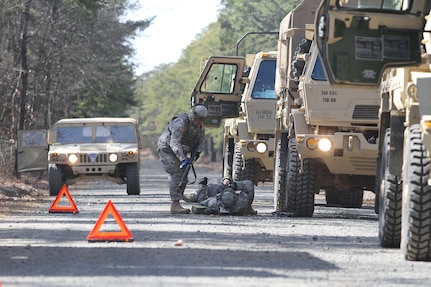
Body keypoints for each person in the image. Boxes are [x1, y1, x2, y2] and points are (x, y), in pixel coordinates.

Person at [157, 105, 208, 214]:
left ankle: (179, 195)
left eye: (201, 120)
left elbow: (201, 142)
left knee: (184, 174)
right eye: (197, 119)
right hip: (167, 148)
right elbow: (174, 142)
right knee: (176, 172)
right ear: (193, 116)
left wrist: (196, 154)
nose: (198, 122)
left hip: (181, 149)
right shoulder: (180, 123)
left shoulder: (200, 128)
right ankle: (175, 204)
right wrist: (183, 159)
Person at [185, 177, 257, 216]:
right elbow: (248, 184)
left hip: (214, 194)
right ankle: (249, 209)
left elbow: (201, 200)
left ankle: (192, 196)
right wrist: (234, 185)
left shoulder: (213, 203)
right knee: (218, 181)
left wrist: (202, 186)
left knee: (214, 181)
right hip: (225, 196)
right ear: (236, 197)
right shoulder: (241, 203)